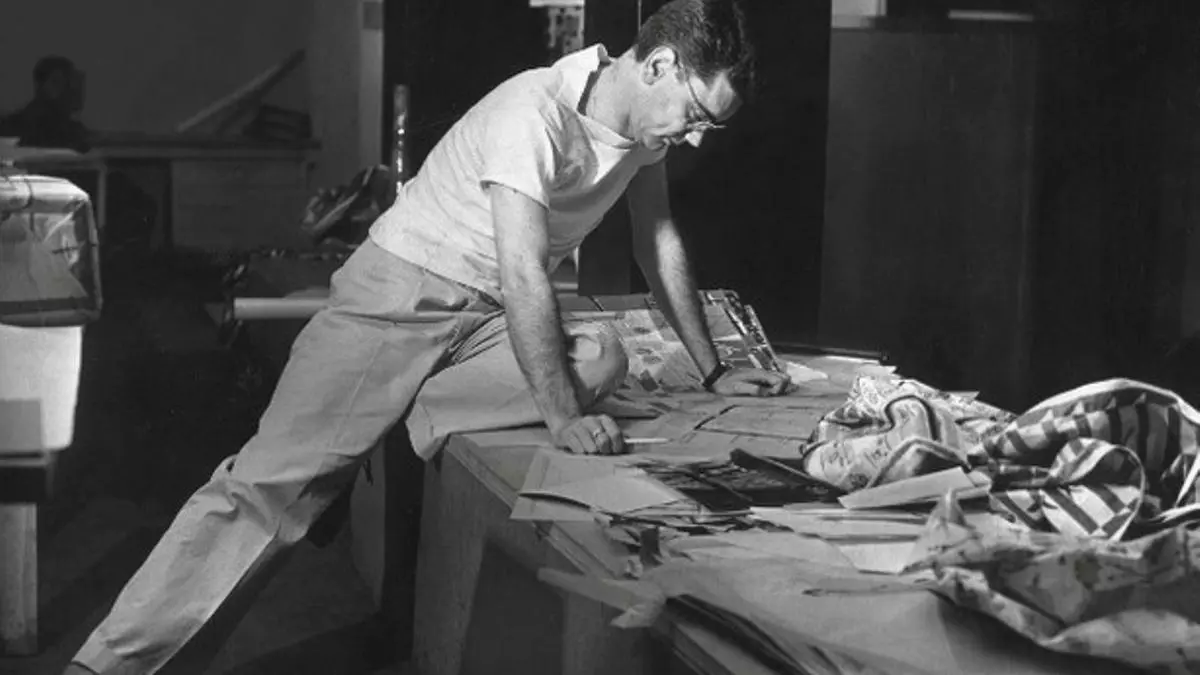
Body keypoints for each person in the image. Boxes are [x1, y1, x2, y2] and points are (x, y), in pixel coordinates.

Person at [64, 0, 789, 672]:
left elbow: (657, 240)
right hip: (398, 299)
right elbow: (525, 273)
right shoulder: (533, 110)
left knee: (601, 356)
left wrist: (715, 369)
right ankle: (104, 666)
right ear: (659, 65)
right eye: (697, 113)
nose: (696, 136)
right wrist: (563, 417)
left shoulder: (643, 138)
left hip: (482, 320)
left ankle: (386, 415)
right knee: (266, 494)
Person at [0, 55, 89, 152]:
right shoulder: (12, 128)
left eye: (69, 83)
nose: (66, 89)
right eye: (57, 82)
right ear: (39, 85)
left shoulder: (76, 132)